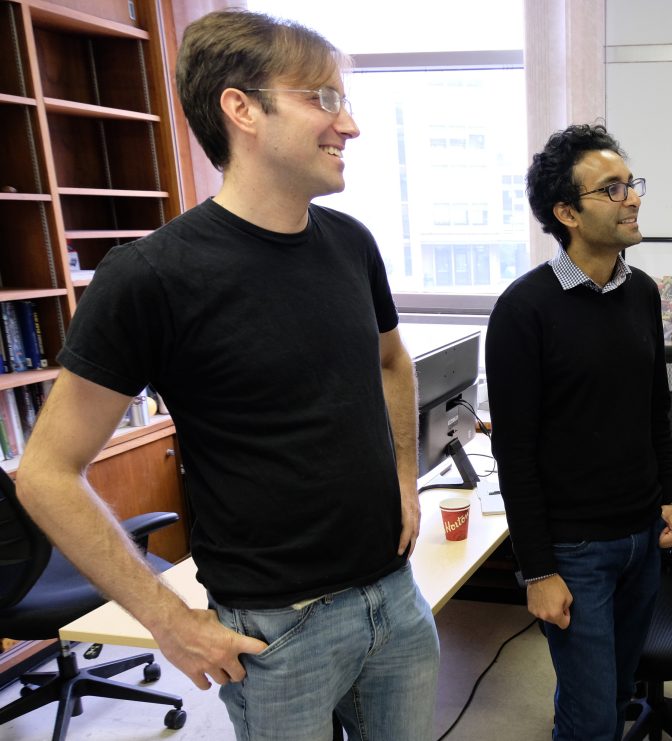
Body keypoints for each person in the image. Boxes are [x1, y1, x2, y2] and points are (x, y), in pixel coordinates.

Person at [15, 10, 438, 740]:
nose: (351, 125)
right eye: (325, 99)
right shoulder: (151, 276)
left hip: (395, 598)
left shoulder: (349, 243)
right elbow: (45, 471)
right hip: (279, 631)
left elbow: (392, 360)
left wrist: (404, 475)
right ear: (241, 108)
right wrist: (169, 621)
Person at [485, 123, 672, 740]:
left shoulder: (644, 292)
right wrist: (537, 570)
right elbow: (512, 452)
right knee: (593, 721)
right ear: (567, 212)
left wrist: (670, 496)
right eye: (612, 189)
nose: (633, 198)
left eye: (631, 184)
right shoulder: (524, 310)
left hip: (641, 537)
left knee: (614, 694)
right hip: (575, 553)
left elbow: (656, 406)